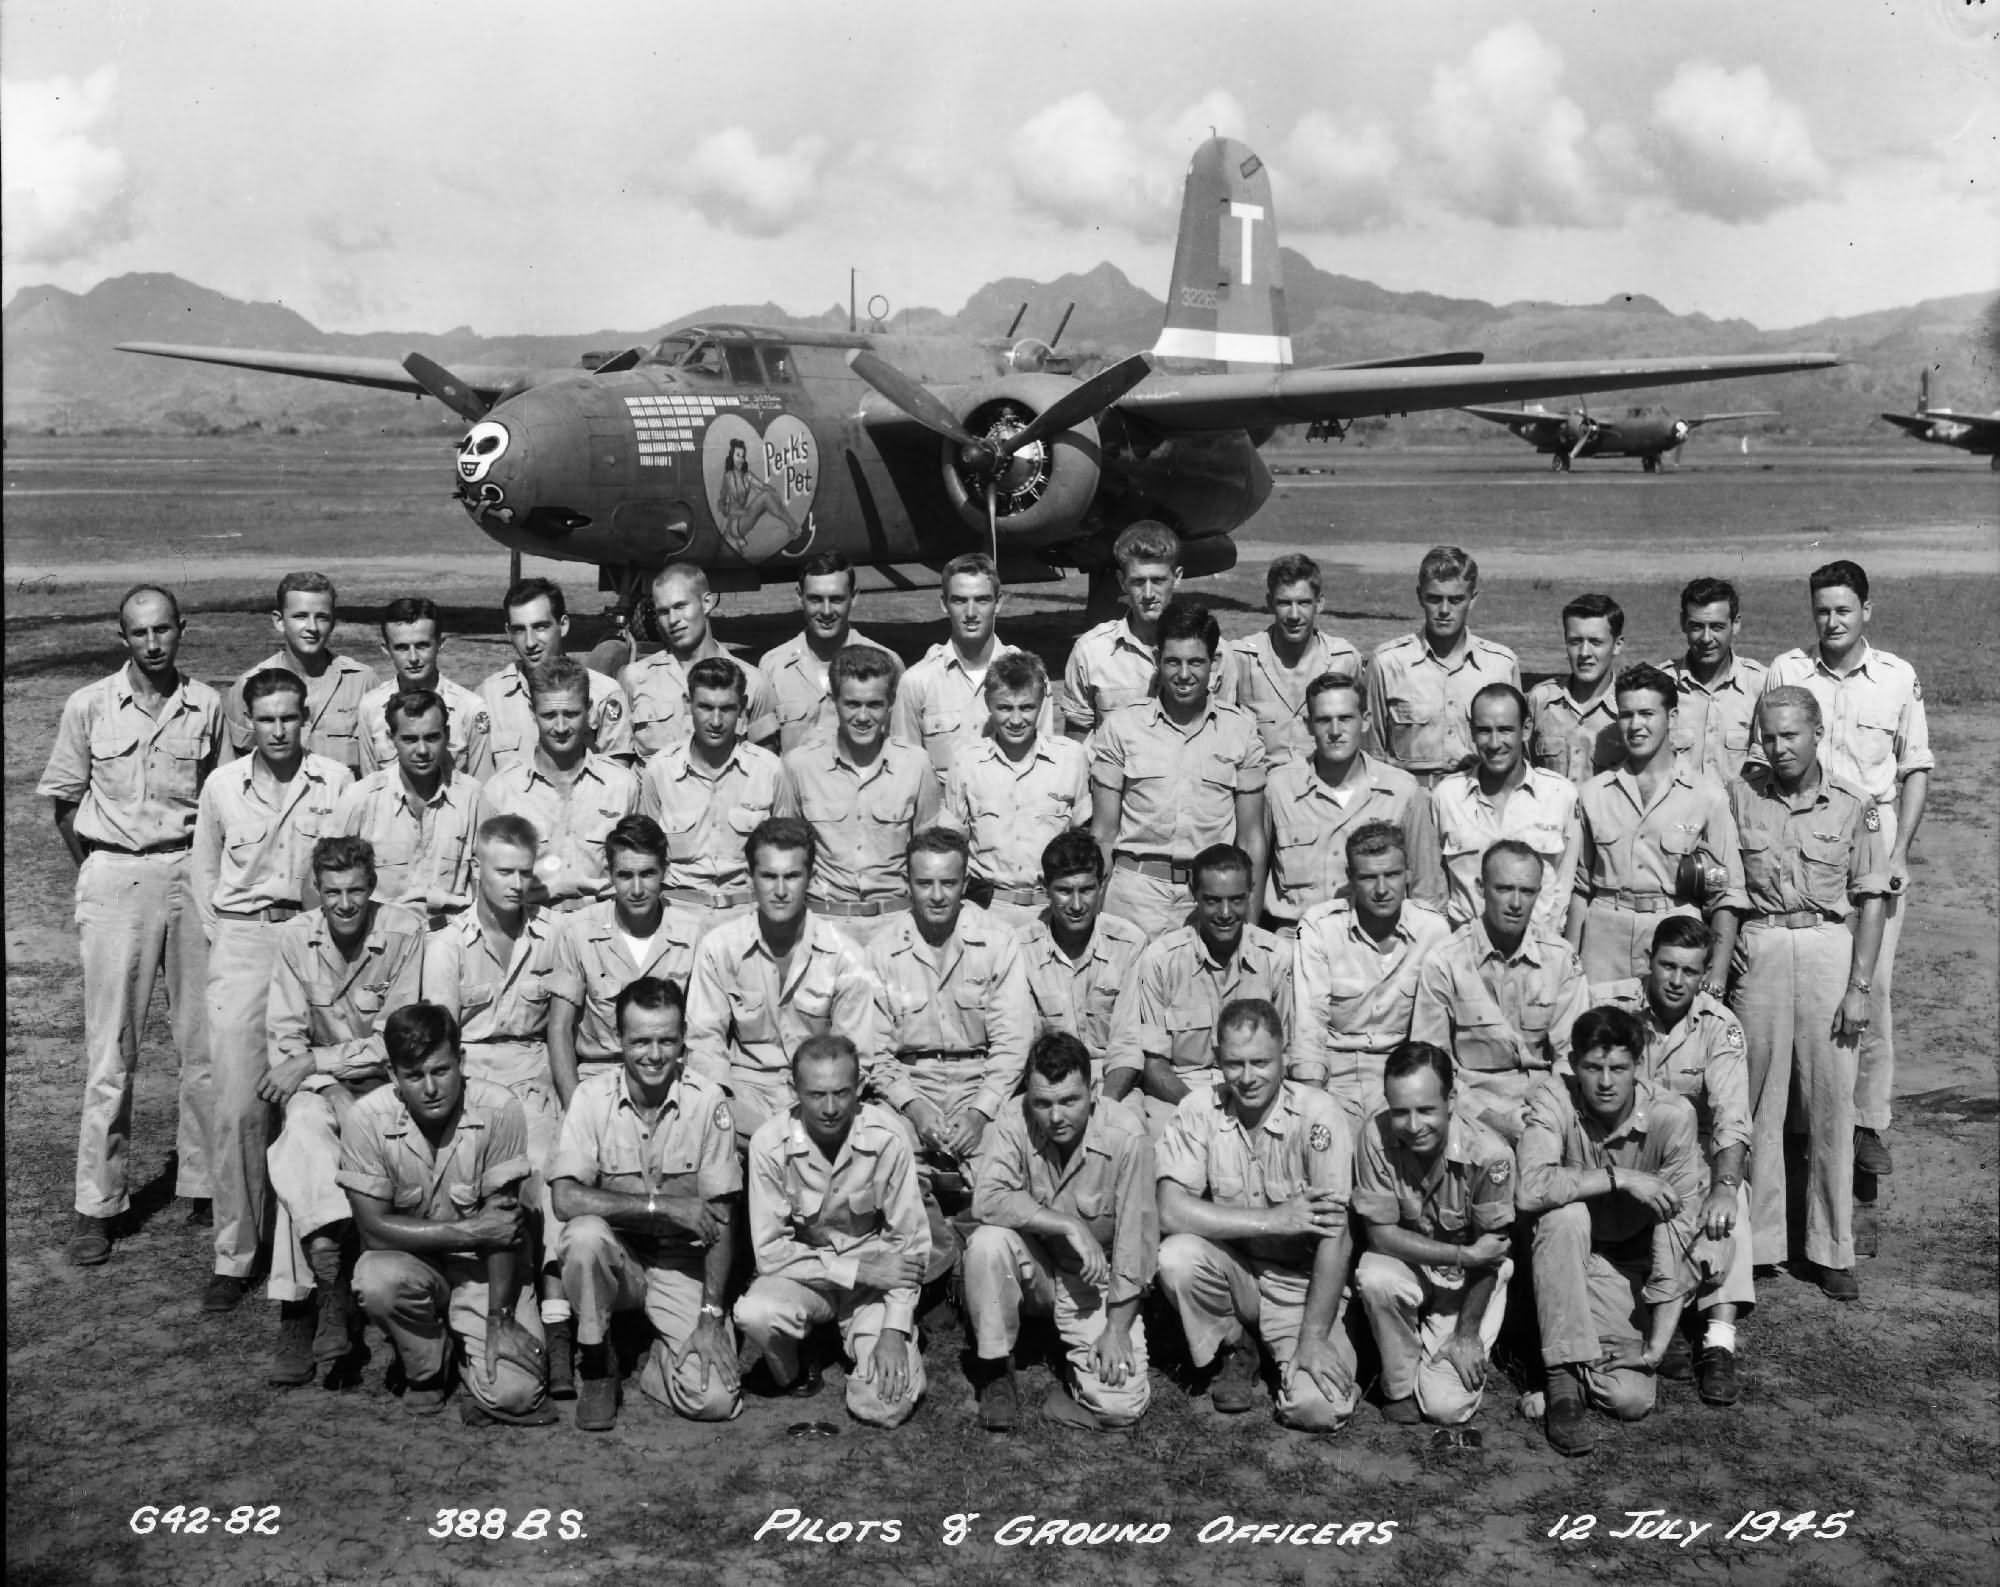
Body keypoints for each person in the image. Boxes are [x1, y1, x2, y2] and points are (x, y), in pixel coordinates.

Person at [40, 584, 225, 1268]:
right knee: (111, 1050)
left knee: (203, 1041)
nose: (153, 643)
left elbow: (221, 797)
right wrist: (102, 868)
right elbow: (65, 801)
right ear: (123, 637)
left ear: (182, 629)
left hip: (189, 873)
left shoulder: (208, 705)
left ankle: (204, 1183)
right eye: (140, 632)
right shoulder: (88, 705)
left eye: (164, 629)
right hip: (117, 876)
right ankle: (98, 1203)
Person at [1714, 686, 1890, 1300]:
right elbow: (1721, 879)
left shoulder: (1854, 804)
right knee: (1756, 1098)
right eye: (1769, 735)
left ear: (1818, 733)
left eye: (1790, 734)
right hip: (1761, 949)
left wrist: (1859, 987)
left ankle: (1831, 1246)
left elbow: (1872, 899)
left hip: (1826, 949)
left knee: (1830, 1102)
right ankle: (1760, 1243)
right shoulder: (1739, 796)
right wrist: (1728, 938)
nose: (1779, 746)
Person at [190, 667, 353, 1312]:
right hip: (245, 940)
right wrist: (234, 939)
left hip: (316, 940)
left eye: (289, 717)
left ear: (305, 719)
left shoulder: (336, 782)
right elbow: (204, 874)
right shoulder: (222, 786)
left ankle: (321, 1246)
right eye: (266, 719)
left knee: (315, 1092)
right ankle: (235, 1253)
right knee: (237, 1103)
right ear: (247, 724)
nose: (278, 730)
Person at [1763, 559, 1931, 1181]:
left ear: (1866, 610)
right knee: (1805, 977)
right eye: (1822, 611)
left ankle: (1865, 1122)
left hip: (1872, 832)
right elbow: (1764, 755)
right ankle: (1804, 1123)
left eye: (1843, 609)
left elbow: (1915, 768)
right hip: (1803, 832)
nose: (1832, 621)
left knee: (1871, 985)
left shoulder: (1896, 677)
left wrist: (1899, 850)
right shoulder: (1788, 670)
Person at [259, 836, 426, 1388]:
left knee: (306, 1153)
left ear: (372, 887)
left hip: (388, 1086)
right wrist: (328, 1085)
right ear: (317, 891)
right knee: (302, 1132)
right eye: (332, 892)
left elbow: (397, 1039)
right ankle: (323, 1288)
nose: (345, 904)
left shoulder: (404, 932)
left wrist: (317, 1062)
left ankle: (310, 1300)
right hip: (322, 1088)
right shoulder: (294, 938)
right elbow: (284, 1041)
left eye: (355, 891)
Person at [340, 1003, 554, 1425]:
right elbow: (374, 1230)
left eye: (441, 1070)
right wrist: (471, 1230)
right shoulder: (366, 1119)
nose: (430, 1088)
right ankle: (427, 1365)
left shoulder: (499, 1108)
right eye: (414, 1076)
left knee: (516, 1395)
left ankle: (471, 1345)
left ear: (462, 1061)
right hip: (411, 1261)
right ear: (392, 1075)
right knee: (375, 1278)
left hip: (486, 1268)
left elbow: (502, 1230)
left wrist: (500, 1319)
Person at [1155, 998, 1359, 1430]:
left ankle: (1308, 1347)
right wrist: (1273, 1219)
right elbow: (1170, 1211)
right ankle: (1236, 1344)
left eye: (1261, 1062)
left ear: (1284, 1055)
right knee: (1176, 1257)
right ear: (1217, 1059)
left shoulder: (1318, 1115)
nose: (1247, 1078)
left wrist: (1313, 1336)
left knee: (1316, 1409)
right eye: (1234, 1063)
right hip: (1239, 1275)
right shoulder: (1198, 1109)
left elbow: (1336, 1237)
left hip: (1302, 1287)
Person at [550, 978, 741, 1431]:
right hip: (619, 1260)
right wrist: (661, 1205)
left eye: (666, 1041)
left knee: (714, 1400)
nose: (654, 1055)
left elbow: (722, 1218)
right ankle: (597, 1362)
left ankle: (657, 1361)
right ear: (619, 1040)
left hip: (681, 1263)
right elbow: (565, 1198)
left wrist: (710, 1317)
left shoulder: (707, 1101)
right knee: (584, 1236)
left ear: (683, 1039)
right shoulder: (590, 1099)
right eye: (640, 1042)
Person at [421, 813, 572, 1377]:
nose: (515, 883)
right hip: (473, 1081)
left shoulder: (553, 934)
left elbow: (560, 1031)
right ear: (475, 868)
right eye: (503, 871)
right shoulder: (447, 945)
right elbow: (443, 1041)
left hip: (533, 1076)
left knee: (549, 1175)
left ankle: (558, 1321)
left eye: (524, 872)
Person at [1517, 1006, 1704, 1456]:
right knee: (1565, 1215)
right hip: (1559, 1253)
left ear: (1638, 1066)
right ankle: (1562, 1383)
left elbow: (1677, 1233)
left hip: (1621, 1266)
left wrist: (1654, 1348)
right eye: (1592, 1068)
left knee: (1630, 1398)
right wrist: (1619, 1177)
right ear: (1573, 1065)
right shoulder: (1553, 1098)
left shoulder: (1671, 1116)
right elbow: (1529, 1189)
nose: (1605, 1082)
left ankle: (1554, 1347)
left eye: (1618, 1069)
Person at [1596, 918, 1755, 1406]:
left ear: (1705, 974)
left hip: (1690, 1154)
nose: (1676, 980)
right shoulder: (1610, 1006)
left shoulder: (1719, 1026)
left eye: (1689, 971)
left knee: (1731, 1200)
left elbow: (1732, 1117)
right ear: (1649, 961)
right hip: (1625, 1149)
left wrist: (1725, 1185)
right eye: (1667, 966)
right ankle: (1660, 1319)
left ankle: (1718, 1342)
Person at [965, 1032, 1157, 1432]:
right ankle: (996, 1369)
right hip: (1037, 1269)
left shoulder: (1127, 1136)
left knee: (1119, 1407)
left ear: (1094, 1091)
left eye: (1069, 1101)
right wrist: (1068, 1224)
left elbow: (1135, 1246)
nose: (1055, 1117)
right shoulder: (1013, 1117)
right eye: (1043, 1103)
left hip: (1095, 1283)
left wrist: (1116, 1328)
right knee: (986, 1243)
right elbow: (987, 1199)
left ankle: (1069, 1373)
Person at [735, 1035, 931, 1425]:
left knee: (885, 1405)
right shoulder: (769, 1144)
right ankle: (794, 1363)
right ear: (793, 1090)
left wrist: (894, 1330)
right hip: (809, 1277)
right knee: (756, 1312)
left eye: (841, 1093)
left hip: (872, 1287)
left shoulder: (888, 1137)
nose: (829, 1108)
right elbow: (771, 1253)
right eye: (816, 1094)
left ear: (859, 1087)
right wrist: (856, 1271)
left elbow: (908, 1246)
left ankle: (857, 1346)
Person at [685, 818, 879, 1149]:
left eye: (791, 876)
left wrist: (812, 1118)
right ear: (750, 879)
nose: (780, 890)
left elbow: (854, 1056)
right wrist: (731, 1111)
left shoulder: (845, 956)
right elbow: (705, 1045)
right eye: (768, 876)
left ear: (811, 879)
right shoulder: (719, 948)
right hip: (742, 1096)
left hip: (820, 1101)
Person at [1352, 1043, 1515, 1436]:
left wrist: (1466, 1335)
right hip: (1415, 1265)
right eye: (1400, 1112)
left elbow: (1491, 1256)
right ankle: (1398, 1383)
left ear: (1451, 1100)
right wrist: (1462, 1254)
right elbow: (1380, 1235)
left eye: (1426, 1110)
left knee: (1445, 1408)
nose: (1412, 1125)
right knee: (1375, 1276)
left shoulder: (1490, 1155)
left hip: (1469, 1283)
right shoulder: (1374, 1135)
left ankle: (1450, 1344)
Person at [865, 828, 1032, 1191]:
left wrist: (979, 1113)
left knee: (1006, 1171)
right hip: (909, 1087)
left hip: (980, 1084)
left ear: (965, 883)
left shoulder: (999, 941)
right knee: (880, 1152)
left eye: (949, 883)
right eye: (925, 883)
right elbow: (873, 1050)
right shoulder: (881, 950)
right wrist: (913, 1106)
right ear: (907, 883)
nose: (938, 896)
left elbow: (1013, 1043)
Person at [1090, 598, 1268, 939]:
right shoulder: (1122, 728)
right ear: (1158, 659)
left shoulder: (1241, 731)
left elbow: (1251, 839)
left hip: (1210, 901)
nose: (1184, 675)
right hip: (1134, 898)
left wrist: (1251, 930)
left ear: (1214, 663)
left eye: (1196, 662)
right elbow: (1103, 834)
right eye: (1173, 662)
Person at [1567, 665, 1740, 986]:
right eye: (1626, 715)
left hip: (1677, 939)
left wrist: (1717, 973)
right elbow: (1580, 888)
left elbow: (1727, 893)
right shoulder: (1593, 794)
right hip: (1605, 939)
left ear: (1671, 717)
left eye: (1647, 714)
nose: (1636, 725)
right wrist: (1570, 963)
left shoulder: (1707, 797)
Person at [1104, 844, 1294, 1136]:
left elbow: (1287, 1052)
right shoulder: (1161, 960)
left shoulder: (1276, 957)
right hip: (1180, 1094)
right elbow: (1155, 1066)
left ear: (1250, 893)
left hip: (1256, 1089)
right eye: (1213, 901)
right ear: (1194, 894)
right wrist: (1203, 1109)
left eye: (1236, 900)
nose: (1225, 913)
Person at [1410, 840, 1590, 1144]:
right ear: (1481, 888)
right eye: (1504, 889)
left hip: (1546, 1105)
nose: (1516, 903)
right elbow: (1433, 1065)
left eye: (1527, 891)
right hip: (1471, 1110)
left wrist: (1546, 1113)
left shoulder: (1560, 959)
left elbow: (1571, 1056)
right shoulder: (1445, 960)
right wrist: (1494, 1119)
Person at [1292, 822, 1454, 1118]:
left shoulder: (1432, 930)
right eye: (1368, 877)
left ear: (1408, 874)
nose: (1381, 890)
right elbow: (1309, 1026)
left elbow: (1433, 1036)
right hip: (1334, 1073)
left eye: (1392, 875)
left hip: (1403, 1073)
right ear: (1351, 878)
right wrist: (1311, 1105)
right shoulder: (1319, 927)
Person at [784, 644, 940, 947]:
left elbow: (930, 854)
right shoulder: (800, 766)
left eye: (875, 705)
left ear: (891, 703)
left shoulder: (916, 765)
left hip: (896, 925)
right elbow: (786, 855)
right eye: (852, 704)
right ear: (833, 701)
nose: (863, 716)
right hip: (824, 925)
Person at [1263, 673, 1443, 932]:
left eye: (1345, 718)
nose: (1335, 731)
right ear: (1308, 725)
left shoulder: (1401, 791)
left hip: (1378, 941)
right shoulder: (1279, 789)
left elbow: (1427, 889)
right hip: (1296, 939)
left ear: (1365, 721)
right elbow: (1254, 874)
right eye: (1324, 720)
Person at [635, 654, 795, 938]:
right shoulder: (660, 771)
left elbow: (788, 855)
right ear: (688, 704)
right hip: (678, 917)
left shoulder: (769, 771)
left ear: (743, 706)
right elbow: (646, 856)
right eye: (706, 708)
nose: (716, 721)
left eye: (727, 709)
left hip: (748, 918)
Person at [547, 816, 702, 1106]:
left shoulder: (692, 934)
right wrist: (575, 1108)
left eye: (648, 874)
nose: (637, 889)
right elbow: (559, 1029)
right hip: (600, 1077)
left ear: (665, 871)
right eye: (625, 875)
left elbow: (702, 1036)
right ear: (609, 874)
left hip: (671, 1079)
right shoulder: (578, 932)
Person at [938, 650, 1091, 932]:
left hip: (1052, 909)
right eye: (1005, 708)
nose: (1017, 720)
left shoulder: (1071, 759)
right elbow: (951, 846)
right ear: (988, 703)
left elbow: (1086, 840)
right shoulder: (966, 762)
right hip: (987, 911)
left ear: (1042, 704)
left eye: (1027, 707)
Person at [482, 658, 639, 912]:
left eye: (571, 714)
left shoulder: (621, 786)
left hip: (603, 922)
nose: (561, 727)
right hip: (531, 924)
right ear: (532, 712)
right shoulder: (501, 791)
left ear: (589, 710)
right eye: (549, 715)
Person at [329, 688, 491, 925]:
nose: (422, 751)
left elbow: (487, 881)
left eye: (432, 738)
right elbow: (326, 878)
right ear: (391, 738)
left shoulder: (473, 797)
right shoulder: (360, 798)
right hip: (381, 933)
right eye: (410, 739)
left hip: (453, 932)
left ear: (447, 735)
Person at [1433, 682, 1580, 940]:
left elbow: (1564, 886)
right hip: (1466, 946)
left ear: (1526, 729)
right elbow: (1437, 887)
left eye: (1505, 730)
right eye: (1484, 731)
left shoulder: (1560, 796)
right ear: (1471, 732)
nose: (1494, 743)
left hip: (1539, 948)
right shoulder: (1447, 796)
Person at [1367, 546, 1520, 785]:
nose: (1445, 610)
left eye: (1456, 600)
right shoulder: (1388, 664)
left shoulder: (1500, 666)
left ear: (1473, 599)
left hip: (1477, 795)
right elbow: (1372, 755)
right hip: (1410, 797)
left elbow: (1515, 751)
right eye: (1434, 599)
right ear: (1420, 596)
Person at [893, 553, 1051, 781]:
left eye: (982, 600)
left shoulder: (1030, 677)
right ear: (943, 604)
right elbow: (905, 772)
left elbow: (1044, 763)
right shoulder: (917, 682)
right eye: (959, 600)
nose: (970, 613)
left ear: (999, 603)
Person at [1016, 833, 1150, 1083]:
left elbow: (1127, 1047)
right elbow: (1020, 1047)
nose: (1077, 905)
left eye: (1087, 890)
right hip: (1047, 1085)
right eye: (1064, 891)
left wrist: (1108, 1101)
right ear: (1045, 887)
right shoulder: (1020, 949)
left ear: (1102, 883)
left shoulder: (1129, 945)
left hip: (1109, 1080)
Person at [222, 572, 379, 775]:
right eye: (300, 616)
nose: (312, 627)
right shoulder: (248, 686)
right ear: (279, 621)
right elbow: (237, 768)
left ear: (333, 623)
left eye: (322, 617)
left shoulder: (363, 681)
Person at [1216, 554, 1364, 769]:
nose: (1294, 615)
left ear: (1319, 604)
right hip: (1262, 783)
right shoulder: (1241, 659)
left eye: (1303, 603)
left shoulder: (1344, 660)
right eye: (1284, 603)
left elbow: (1361, 735)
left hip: (1323, 783)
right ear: (1269, 604)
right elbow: (1220, 733)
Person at [618, 563, 778, 761]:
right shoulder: (635, 679)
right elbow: (619, 764)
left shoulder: (753, 683)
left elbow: (766, 766)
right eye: (663, 612)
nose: (673, 620)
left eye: (680, 606)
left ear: (707, 603)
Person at [478, 577, 633, 771]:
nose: (530, 642)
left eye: (540, 627)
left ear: (564, 625)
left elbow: (618, 778)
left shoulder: (603, 694)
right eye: (519, 630)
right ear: (508, 632)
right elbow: (480, 779)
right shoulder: (489, 697)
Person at [756, 552, 900, 753]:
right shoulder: (773, 666)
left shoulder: (887, 664)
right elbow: (763, 754)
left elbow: (900, 747)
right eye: (815, 599)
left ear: (854, 597)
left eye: (836, 599)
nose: (826, 611)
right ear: (799, 596)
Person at [1057, 521, 1180, 740]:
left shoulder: (1212, 653)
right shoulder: (1091, 652)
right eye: (1138, 582)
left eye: (1158, 580)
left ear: (1177, 578)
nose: (1148, 594)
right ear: (1122, 582)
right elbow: (1076, 743)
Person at [355, 596, 495, 782]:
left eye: (422, 646)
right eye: (402, 648)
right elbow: (370, 785)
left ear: (440, 644)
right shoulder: (370, 707)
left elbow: (481, 786)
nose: (413, 658)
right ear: (386, 650)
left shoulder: (470, 709)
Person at [1665, 577, 1766, 782]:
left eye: (1717, 627)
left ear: (1735, 624)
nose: (1706, 638)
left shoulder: (1760, 685)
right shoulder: (1660, 685)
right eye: (1696, 627)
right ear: (1683, 623)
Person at [1527, 593, 1626, 785]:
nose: (1584, 653)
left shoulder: (1628, 708)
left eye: (1596, 642)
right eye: (1575, 641)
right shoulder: (1540, 701)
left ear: (1617, 645)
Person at [717, 434, 806, 560]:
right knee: (765, 497)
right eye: (738, 455)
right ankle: (794, 527)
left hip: (744, 519)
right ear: (731, 457)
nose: (741, 459)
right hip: (735, 525)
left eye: (743, 456)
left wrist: (774, 493)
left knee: (767, 495)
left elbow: (763, 486)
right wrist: (735, 511)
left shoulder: (746, 475)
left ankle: (793, 528)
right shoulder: (728, 477)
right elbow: (721, 504)